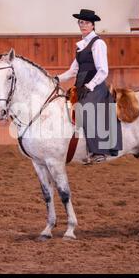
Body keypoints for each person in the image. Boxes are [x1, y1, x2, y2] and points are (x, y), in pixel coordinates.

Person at [55, 9, 122, 164]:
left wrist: (90, 85)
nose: (83, 25)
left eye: (86, 22)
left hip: (96, 88)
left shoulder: (98, 43)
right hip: (81, 86)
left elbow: (103, 70)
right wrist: (56, 78)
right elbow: (73, 70)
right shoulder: (81, 45)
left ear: (93, 25)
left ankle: (98, 151)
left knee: (85, 110)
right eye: (81, 22)